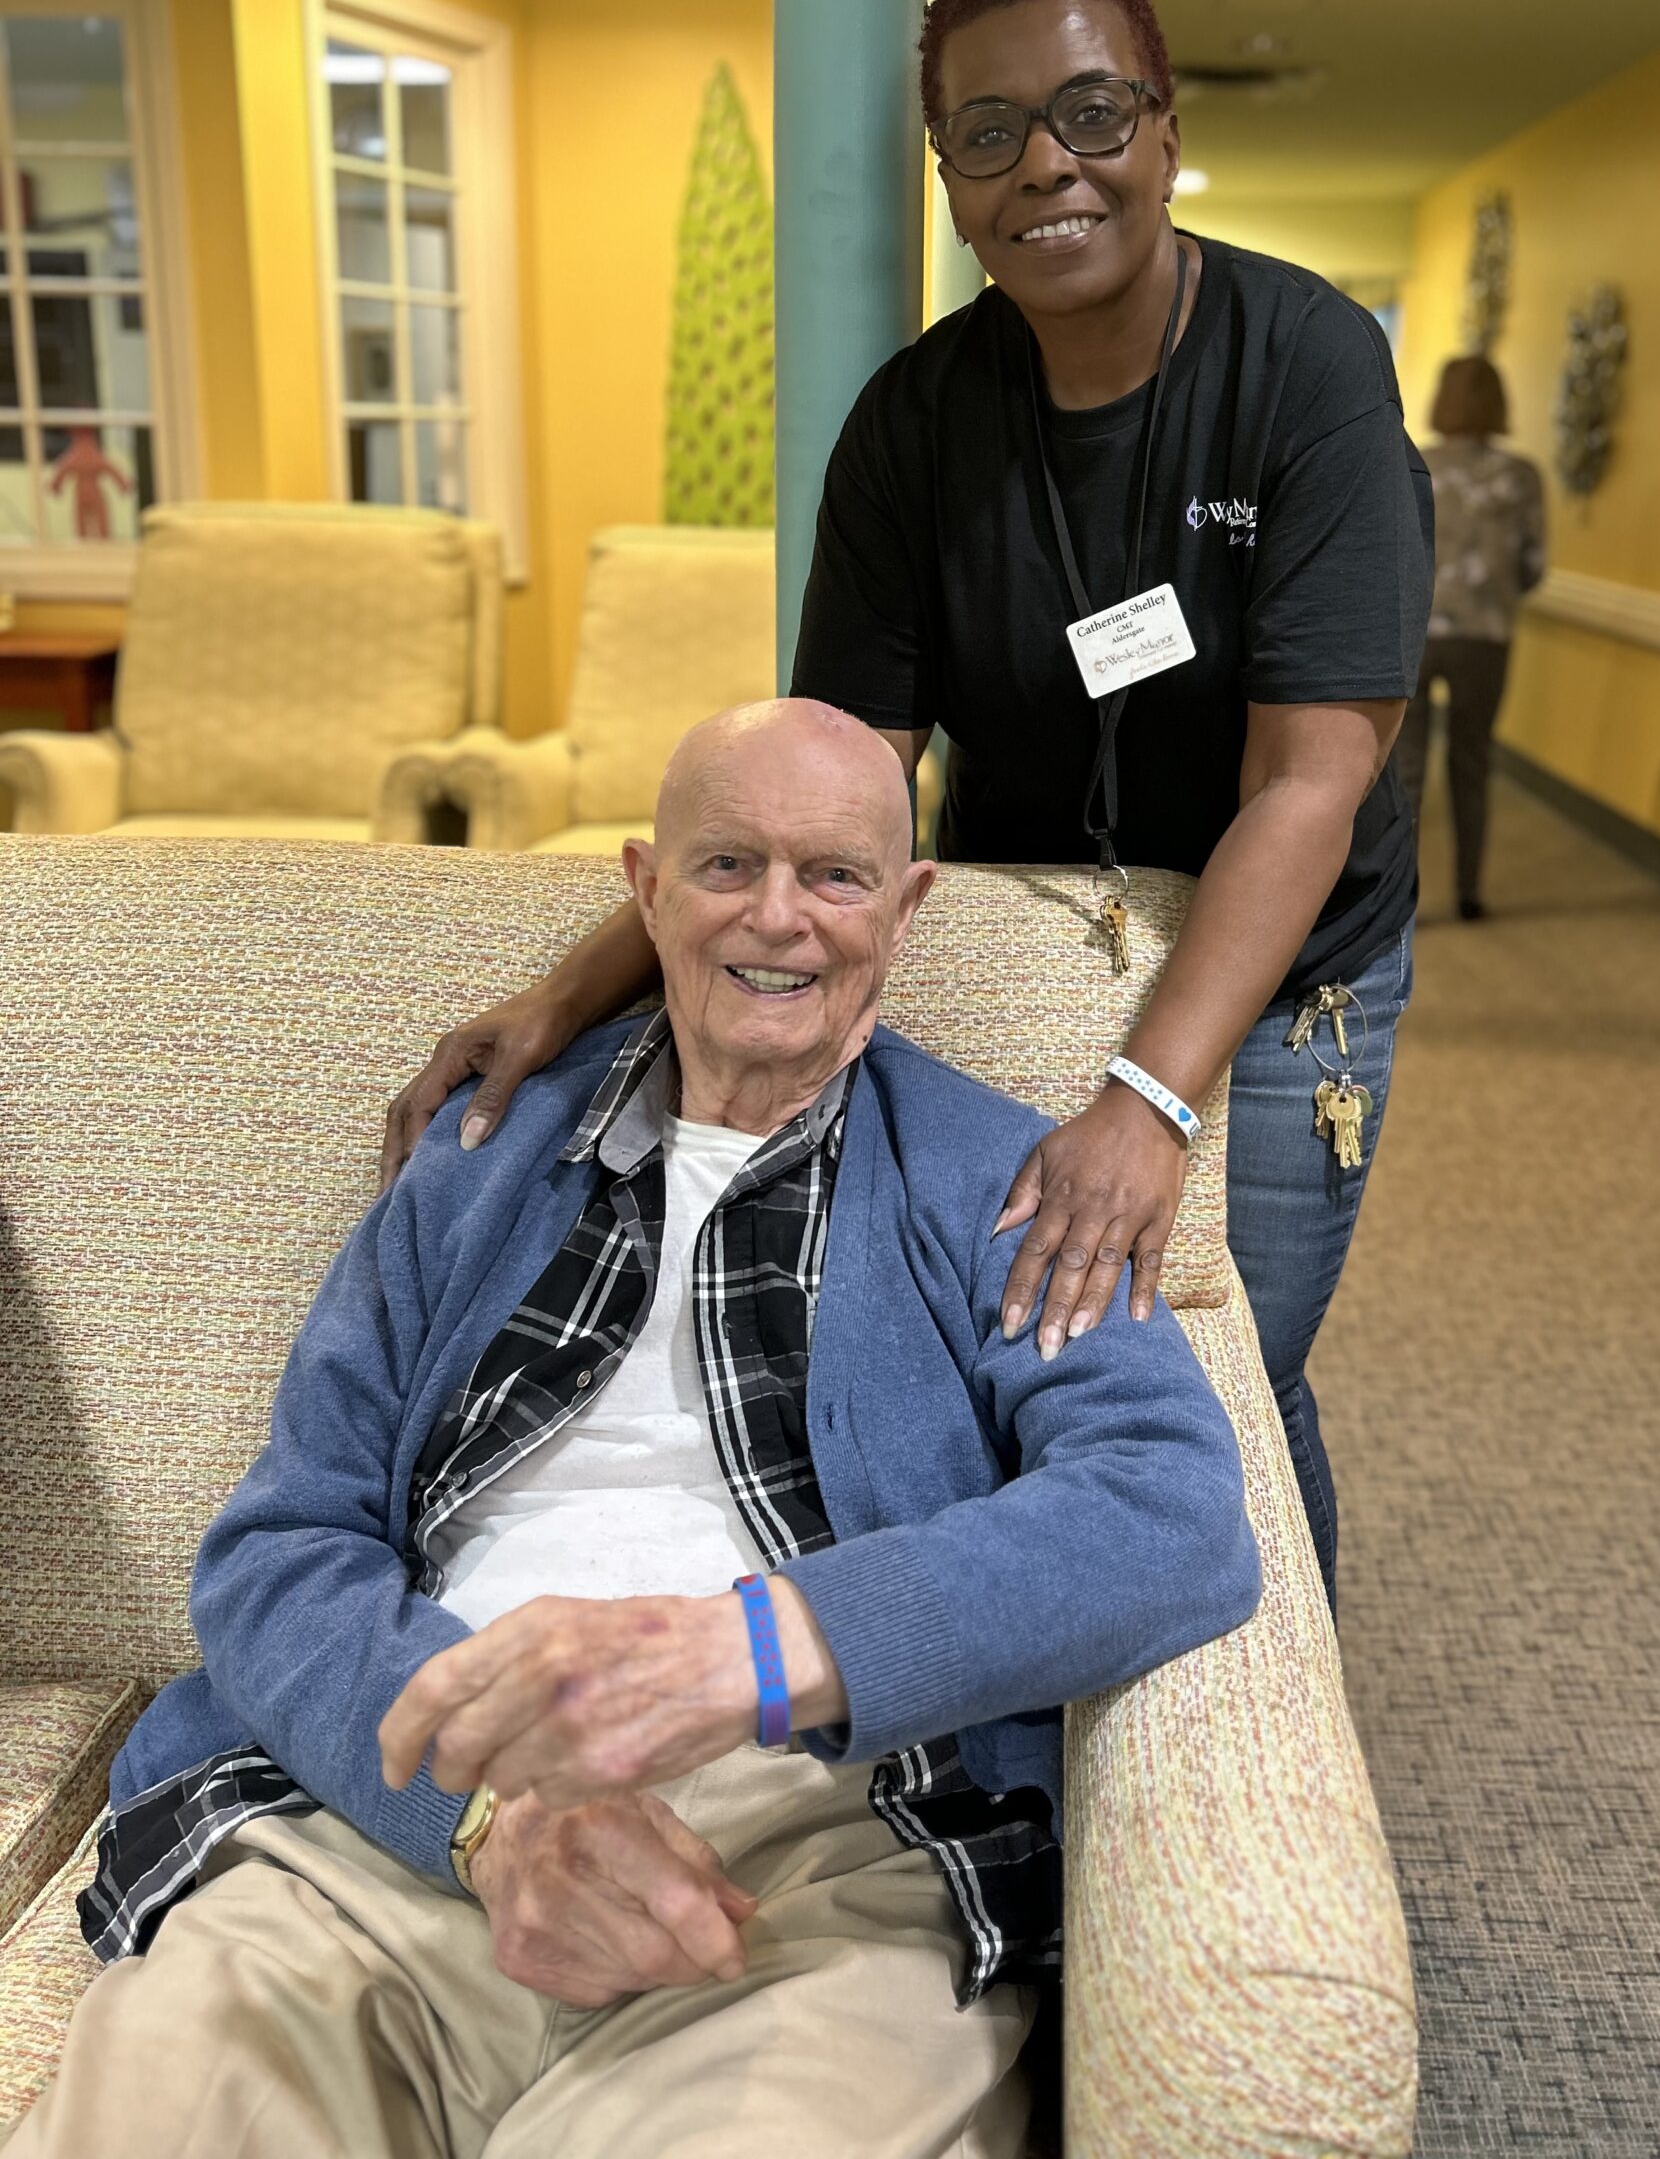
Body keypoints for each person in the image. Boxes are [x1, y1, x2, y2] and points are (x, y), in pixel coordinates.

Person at [21, 702, 1257, 2159]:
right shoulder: (476, 1162)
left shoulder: (1007, 1180)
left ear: (907, 906)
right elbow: (281, 1548)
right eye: (728, 864)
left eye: (837, 876)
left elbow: (1170, 1511)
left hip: (819, 1849)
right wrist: (489, 1819)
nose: (780, 918)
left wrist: (752, 1646)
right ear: (644, 887)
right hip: (397, 1817)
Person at [383, 0, 1432, 1610]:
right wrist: (576, 989)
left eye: (1093, 113)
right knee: (1023, 1336)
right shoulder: (914, 423)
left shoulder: (1305, 369)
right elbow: (829, 785)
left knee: (1236, 1356)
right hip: (1023, 911)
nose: (1048, 167)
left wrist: (1151, 1100)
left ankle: (1272, 1699)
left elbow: (1310, 780)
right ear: (947, 171)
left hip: (1291, 945)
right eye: (988, 129)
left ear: (1164, 132)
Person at [1392, 355, 1546, 921]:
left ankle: (1399, 900)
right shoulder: (1520, 477)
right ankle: (1468, 892)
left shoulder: (1414, 464)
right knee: (1472, 762)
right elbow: (1533, 566)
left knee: (1405, 770)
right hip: (1487, 638)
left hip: (1414, 637)